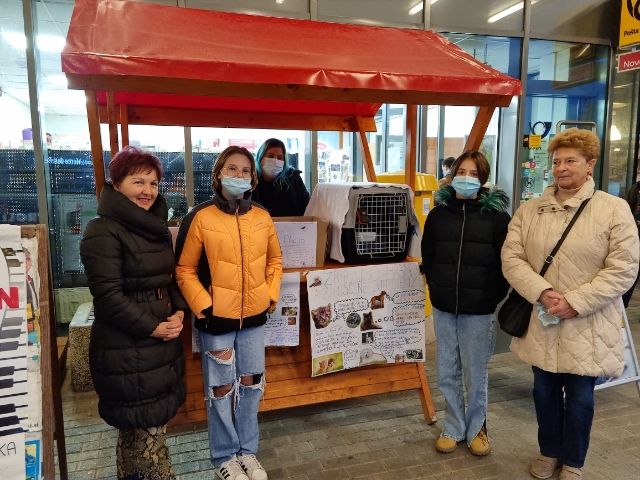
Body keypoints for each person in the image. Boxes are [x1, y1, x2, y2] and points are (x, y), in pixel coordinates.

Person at [501, 128, 639, 480]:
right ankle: (549, 452)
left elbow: (623, 268)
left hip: (588, 323)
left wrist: (575, 302)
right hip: (543, 320)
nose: (561, 168)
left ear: (590, 164)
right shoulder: (530, 210)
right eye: (557, 161)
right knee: (543, 392)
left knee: (580, 398)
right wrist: (543, 292)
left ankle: (574, 461)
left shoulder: (614, 209)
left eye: (571, 161)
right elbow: (512, 258)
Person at [175, 146, 283, 480]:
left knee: (251, 384)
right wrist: (204, 307)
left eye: (245, 170)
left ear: (253, 178)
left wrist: (269, 294)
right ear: (219, 173)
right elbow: (183, 270)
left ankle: (247, 452)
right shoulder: (200, 216)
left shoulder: (262, 216)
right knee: (220, 388)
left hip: (254, 319)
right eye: (232, 169)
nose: (239, 175)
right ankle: (225, 456)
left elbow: (275, 261)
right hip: (216, 322)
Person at [80, 146, 187, 480]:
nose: (147, 191)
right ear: (116, 184)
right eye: (138, 182)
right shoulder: (102, 230)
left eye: (153, 183)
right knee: (145, 440)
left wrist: (179, 311)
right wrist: (153, 327)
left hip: (158, 346)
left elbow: (168, 278)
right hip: (127, 350)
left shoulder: (153, 225)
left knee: (142, 439)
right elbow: (108, 297)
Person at [421, 151, 510, 456]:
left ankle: (477, 429)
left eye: (474, 174)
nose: (467, 178)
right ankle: (453, 426)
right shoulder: (439, 214)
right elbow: (429, 256)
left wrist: (492, 296)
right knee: (447, 369)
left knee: (475, 372)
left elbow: (507, 263)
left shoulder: (497, 218)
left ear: (483, 179)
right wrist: (437, 288)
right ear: (452, 174)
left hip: (479, 309)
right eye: (462, 172)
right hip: (444, 306)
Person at [251, 138, 310, 217]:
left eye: (279, 158)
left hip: (290, 224)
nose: (275, 161)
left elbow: (307, 207)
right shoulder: (251, 181)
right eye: (270, 156)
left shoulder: (293, 178)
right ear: (260, 157)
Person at [622, 178, 640, 307]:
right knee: (632, 271)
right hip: (636, 237)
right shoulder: (636, 188)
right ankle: (623, 305)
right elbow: (628, 212)